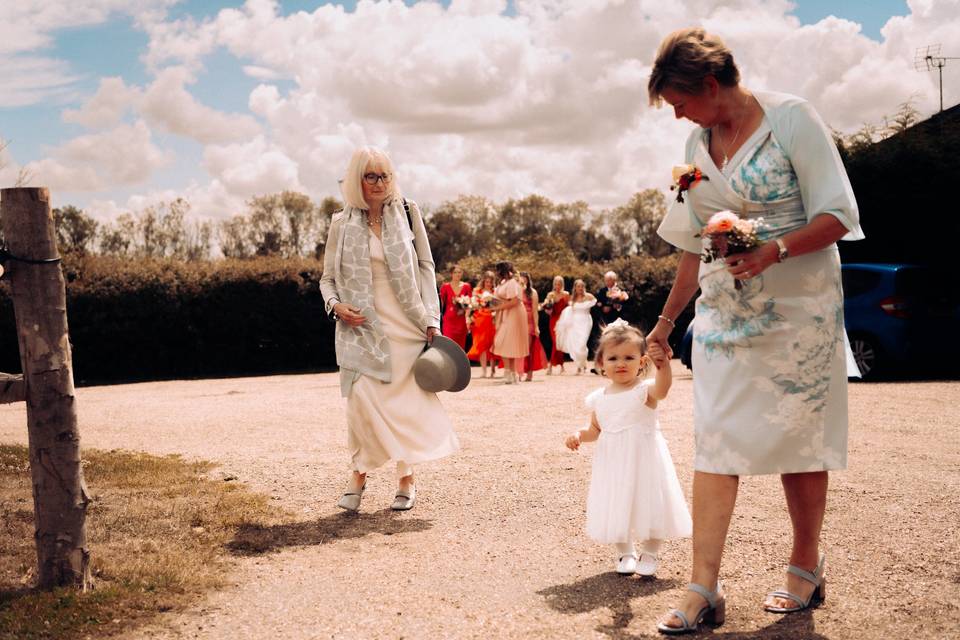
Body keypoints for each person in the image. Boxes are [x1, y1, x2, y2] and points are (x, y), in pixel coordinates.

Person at [646, 28, 863, 635]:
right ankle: (702, 587)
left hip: (800, 312)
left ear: (710, 86)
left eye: (680, 102)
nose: (677, 115)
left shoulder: (793, 119)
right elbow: (692, 246)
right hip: (725, 314)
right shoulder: (696, 141)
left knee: (801, 439)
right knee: (715, 438)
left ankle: (804, 565)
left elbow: (839, 215)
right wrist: (664, 324)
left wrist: (775, 250)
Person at [319, 146, 460, 513]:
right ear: (356, 180)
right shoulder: (339, 222)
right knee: (361, 406)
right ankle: (358, 475)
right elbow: (327, 280)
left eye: (385, 175)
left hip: (407, 326)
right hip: (361, 330)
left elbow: (427, 267)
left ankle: (406, 478)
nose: (380, 183)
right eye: (371, 176)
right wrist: (336, 307)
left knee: (408, 407)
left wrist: (432, 317)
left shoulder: (410, 213)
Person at [565, 320, 691, 576]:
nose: (620, 363)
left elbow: (663, 390)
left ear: (642, 362)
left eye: (629, 357)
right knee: (616, 503)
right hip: (612, 462)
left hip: (645, 458)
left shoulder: (644, 391)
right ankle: (624, 552)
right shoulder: (600, 398)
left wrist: (664, 366)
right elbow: (595, 430)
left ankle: (650, 552)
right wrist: (579, 434)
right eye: (612, 358)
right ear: (601, 363)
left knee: (652, 502)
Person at [492, 261, 529, 384]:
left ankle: (510, 373)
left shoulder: (513, 283)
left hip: (514, 313)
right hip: (506, 312)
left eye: (497, 270)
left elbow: (514, 301)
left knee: (506, 341)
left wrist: (497, 308)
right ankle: (512, 374)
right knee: (506, 342)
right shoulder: (503, 283)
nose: (496, 273)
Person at [553, 279, 596, 374]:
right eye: (578, 286)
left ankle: (582, 363)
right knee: (576, 345)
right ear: (575, 288)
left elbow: (594, 304)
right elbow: (569, 310)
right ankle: (580, 365)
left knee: (582, 343)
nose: (580, 288)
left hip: (585, 322)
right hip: (575, 323)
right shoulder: (572, 298)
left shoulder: (589, 296)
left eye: (582, 286)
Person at [466, 271, 500, 378]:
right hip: (479, 320)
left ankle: (493, 369)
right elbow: (471, 306)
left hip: (492, 319)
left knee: (492, 344)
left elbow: (499, 305)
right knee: (481, 345)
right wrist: (468, 318)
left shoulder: (496, 292)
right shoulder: (476, 291)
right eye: (487, 281)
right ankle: (484, 370)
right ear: (483, 281)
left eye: (490, 282)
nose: (488, 284)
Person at [517, 271, 548, 382]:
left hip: (529, 322)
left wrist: (536, 327)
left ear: (528, 280)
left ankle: (529, 373)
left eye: (525, 279)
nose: (523, 280)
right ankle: (519, 372)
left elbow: (535, 311)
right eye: (521, 279)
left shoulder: (533, 292)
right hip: (518, 322)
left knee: (528, 349)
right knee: (519, 349)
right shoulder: (516, 291)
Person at [541, 275, 570, 375]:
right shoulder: (550, 295)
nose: (557, 286)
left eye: (559, 284)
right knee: (555, 342)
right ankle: (554, 366)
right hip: (553, 320)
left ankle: (558, 366)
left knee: (559, 343)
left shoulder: (566, 294)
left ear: (562, 284)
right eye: (556, 284)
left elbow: (569, 307)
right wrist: (547, 307)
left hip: (563, 320)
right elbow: (545, 306)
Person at [439, 265, 472, 350]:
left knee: (460, 346)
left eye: (459, 272)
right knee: (448, 344)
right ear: (451, 274)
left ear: (462, 274)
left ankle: (459, 363)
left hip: (461, 320)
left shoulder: (466, 286)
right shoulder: (445, 287)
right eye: (455, 272)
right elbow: (440, 304)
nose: (457, 274)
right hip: (449, 320)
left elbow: (470, 304)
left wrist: (467, 316)